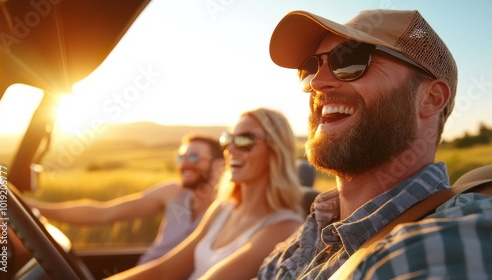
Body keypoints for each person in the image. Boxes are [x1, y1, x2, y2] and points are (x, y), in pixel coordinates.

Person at [258, 9, 492, 279]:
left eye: (351, 61)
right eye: (310, 69)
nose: (318, 83)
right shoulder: (308, 234)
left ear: (431, 98)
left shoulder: (453, 235)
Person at [108, 108, 305, 280]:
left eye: (245, 140)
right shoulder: (222, 209)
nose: (231, 149)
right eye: (227, 140)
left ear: (276, 150)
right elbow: (165, 271)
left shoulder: (284, 228)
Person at [27, 133, 225, 265]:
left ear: (219, 164)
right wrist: (34, 208)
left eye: (194, 158)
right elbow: (104, 213)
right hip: (145, 273)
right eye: (181, 158)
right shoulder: (172, 192)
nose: (184, 165)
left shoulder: (231, 207)